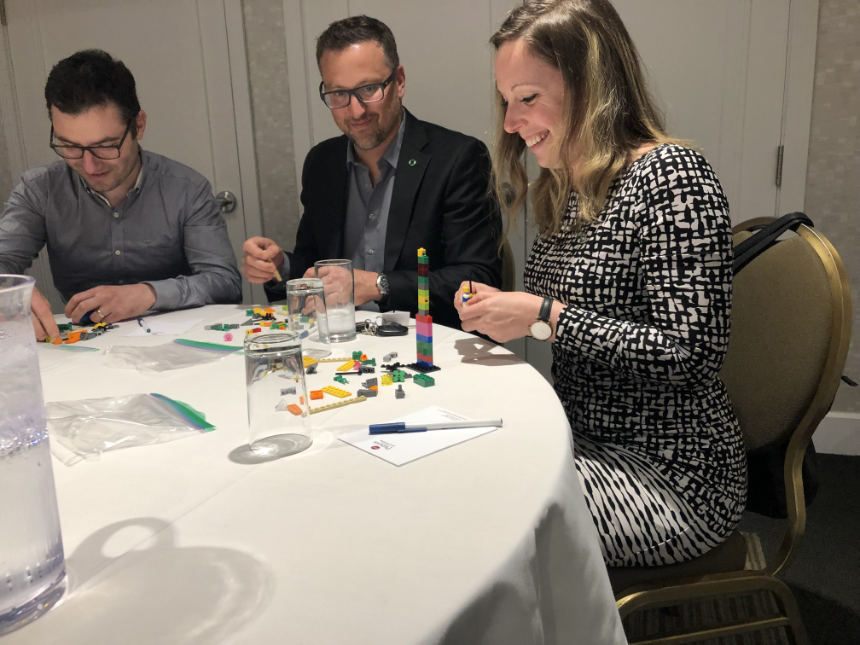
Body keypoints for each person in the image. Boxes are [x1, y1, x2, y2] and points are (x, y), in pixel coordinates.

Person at [457, 0, 746, 567]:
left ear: (592, 85)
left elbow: (692, 354)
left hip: (673, 475)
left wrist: (545, 317)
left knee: (479, 512)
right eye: (506, 101)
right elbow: (564, 311)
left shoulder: (672, 177)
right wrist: (509, 310)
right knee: (460, 471)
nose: (511, 123)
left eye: (528, 98)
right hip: (582, 440)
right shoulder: (569, 188)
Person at [242, 15, 501, 329]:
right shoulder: (322, 162)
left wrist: (379, 285)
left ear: (399, 81)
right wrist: (280, 265)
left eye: (369, 89)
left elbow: (477, 279)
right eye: (338, 94)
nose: (356, 110)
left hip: (427, 345)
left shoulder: (458, 158)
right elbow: (314, 269)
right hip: (341, 344)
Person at [0, 49, 242, 340]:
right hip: (82, 352)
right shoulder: (39, 190)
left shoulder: (186, 188)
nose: (89, 165)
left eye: (105, 146)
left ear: (138, 125)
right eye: (69, 146)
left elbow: (225, 282)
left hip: (178, 343)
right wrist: (9, 293)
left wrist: (148, 294)